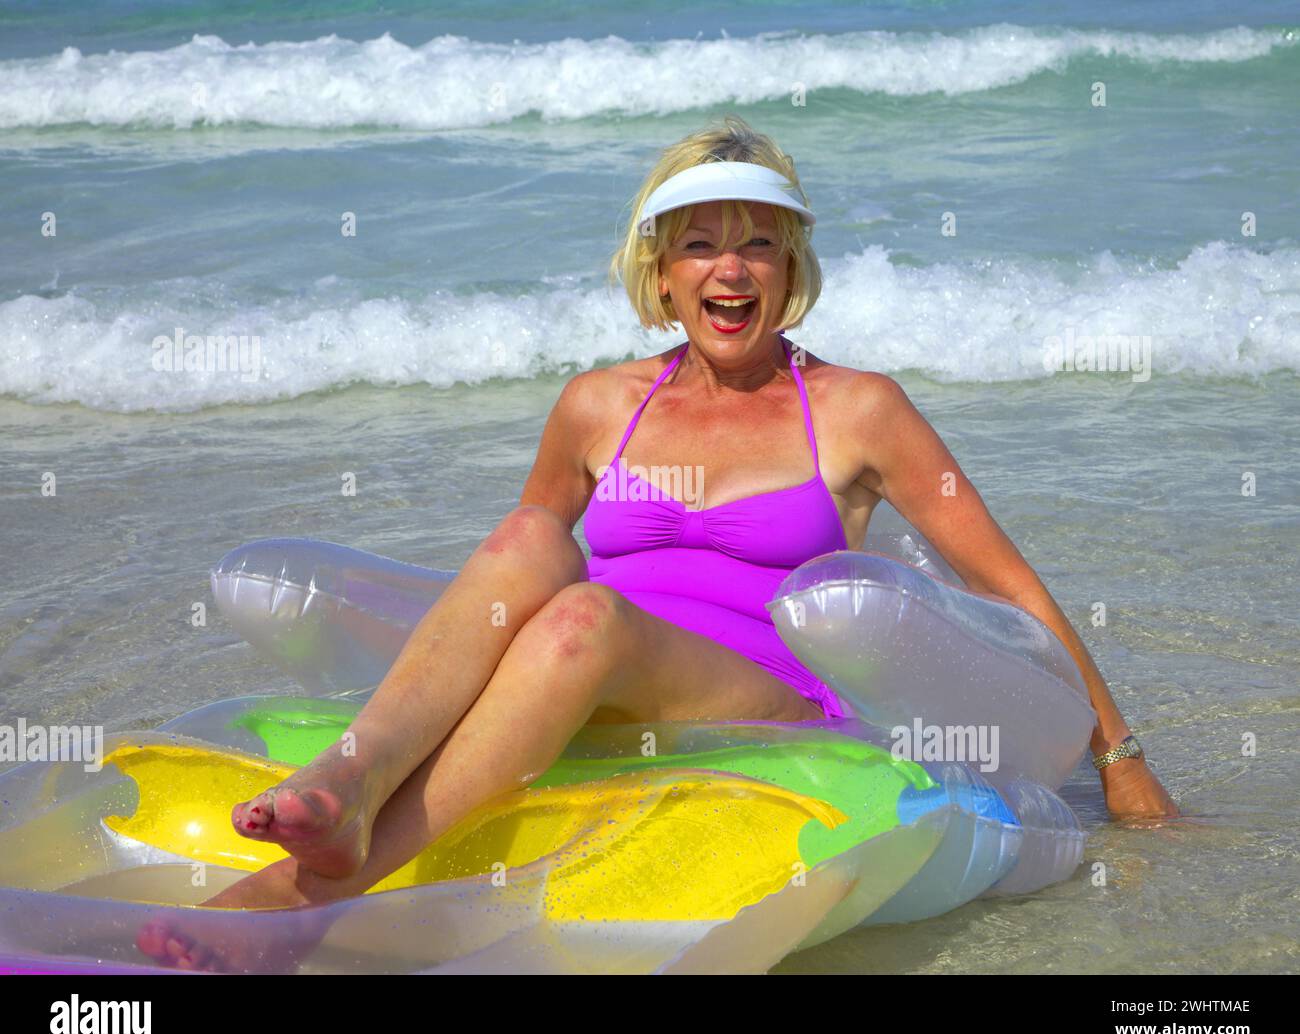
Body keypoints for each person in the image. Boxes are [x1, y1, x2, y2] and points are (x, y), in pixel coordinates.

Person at [138, 116, 1177, 971]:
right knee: (527, 539)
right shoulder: (595, 405)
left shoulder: (860, 410)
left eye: (758, 241)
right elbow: (502, 587)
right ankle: (347, 781)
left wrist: (1118, 760)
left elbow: (1005, 584)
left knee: (586, 614)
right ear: (662, 273)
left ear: (789, 264)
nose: (730, 268)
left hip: (763, 694)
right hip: (596, 658)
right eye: (699, 243)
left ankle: (299, 895)